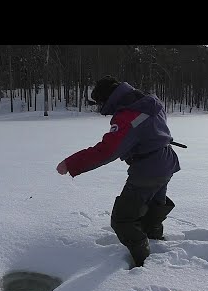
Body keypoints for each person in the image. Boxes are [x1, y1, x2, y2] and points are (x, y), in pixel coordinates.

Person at [56, 75, 181, 267]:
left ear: (108, 99)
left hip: (148, 169)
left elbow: (107, 150)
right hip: (166, 161)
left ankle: (145, 262)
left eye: (100, 103)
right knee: (154, 206)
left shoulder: (129, 117)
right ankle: (155, 240)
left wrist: (71, 163)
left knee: (122, 220)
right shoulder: (147, 102)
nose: (100, 109)